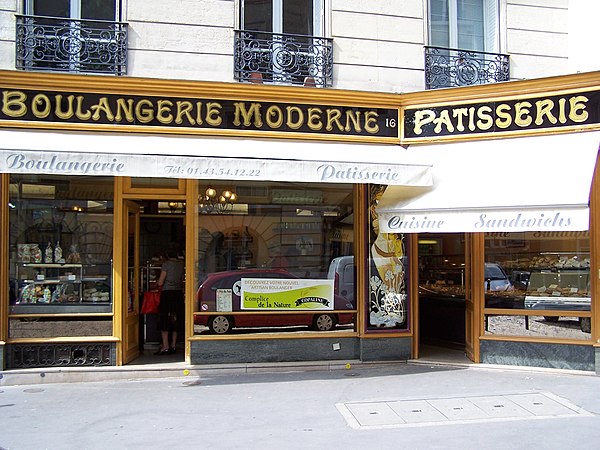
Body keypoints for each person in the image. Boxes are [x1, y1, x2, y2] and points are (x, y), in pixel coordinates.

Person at [154, 249, 184, 355]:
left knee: (165, 319)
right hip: (178, 294)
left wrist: (157, 282)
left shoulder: (166, 264)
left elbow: (161, 282)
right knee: (176, 319)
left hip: (167, 294)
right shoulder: (181, 264)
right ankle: (173, 345)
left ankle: (165, 346)